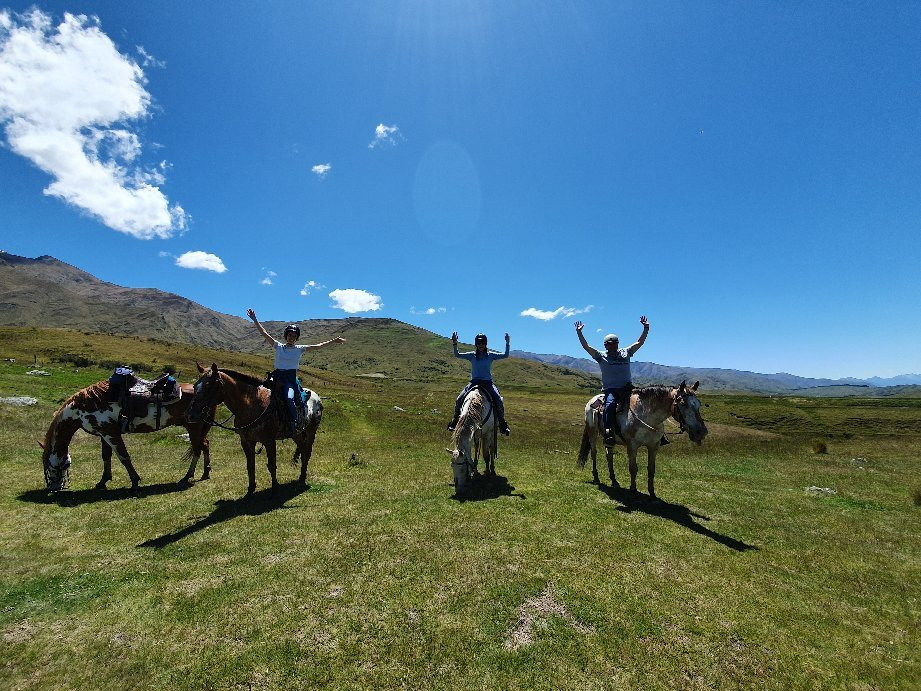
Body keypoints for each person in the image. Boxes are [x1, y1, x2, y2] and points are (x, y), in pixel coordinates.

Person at [247, 308, 345, 435]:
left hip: (289, 380)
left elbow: (318, 346)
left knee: (289, 398)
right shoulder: (278, 346)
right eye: (289, 335)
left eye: (294, 336)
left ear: (297, 338)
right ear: (286, 336)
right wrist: (255, 319)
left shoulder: (300, 349)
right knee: (259, 395)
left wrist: (334, 341)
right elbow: (264, 333)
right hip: (276, 377)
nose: (291, 337)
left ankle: (294, 422)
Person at [576, 316, 666, 446]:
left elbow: (639, 342)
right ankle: (608, 432)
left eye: (615, 343)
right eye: (610, 344)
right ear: (605, 346)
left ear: (618, 344)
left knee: (647, 403)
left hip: (628, 388)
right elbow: (586, 346)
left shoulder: (626, 352)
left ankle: (659, 434)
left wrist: (646, 328)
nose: (613, 346)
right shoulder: (601, 356)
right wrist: (579, 333)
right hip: (611, 390)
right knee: (610, 405)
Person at [448, 331, 511, 435]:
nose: (481, 345)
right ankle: (455, 422)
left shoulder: (490, 355)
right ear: (476, 344)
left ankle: (502, 424)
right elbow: (457, 354)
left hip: (487, 383)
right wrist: (455, 343)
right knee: (459, 399)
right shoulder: (472, 355)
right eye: (479, 343)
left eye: (482, 343)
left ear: (485, 344)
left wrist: (507, 343)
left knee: (498, 400)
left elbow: (505, 355)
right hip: (474, 383)